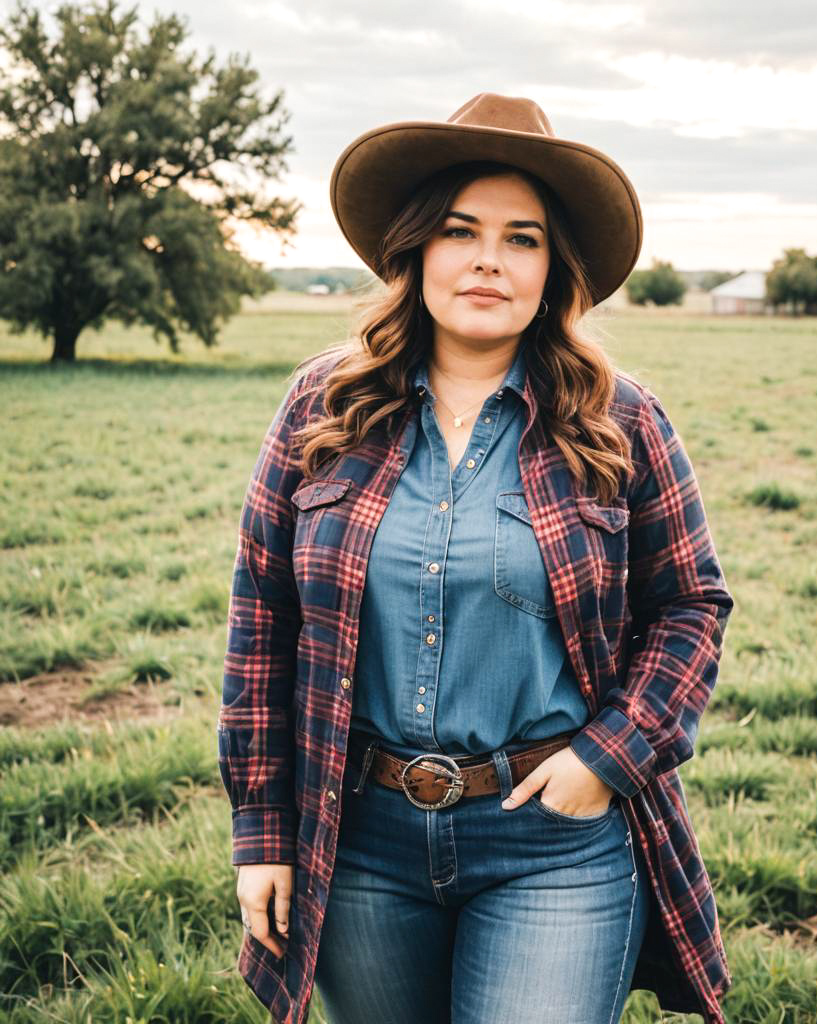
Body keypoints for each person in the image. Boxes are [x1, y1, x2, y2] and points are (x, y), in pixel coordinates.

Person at [218, 93, 735, 1024]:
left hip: (551, 840)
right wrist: (262, 831)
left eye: (522, 238)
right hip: (360, 836)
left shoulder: (622, 423)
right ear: (417, 249)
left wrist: (606, 758)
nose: (489, 258)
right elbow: (263, 620)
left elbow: (690, 605)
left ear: (554, 268)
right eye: (461, 230)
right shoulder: (320, 410)